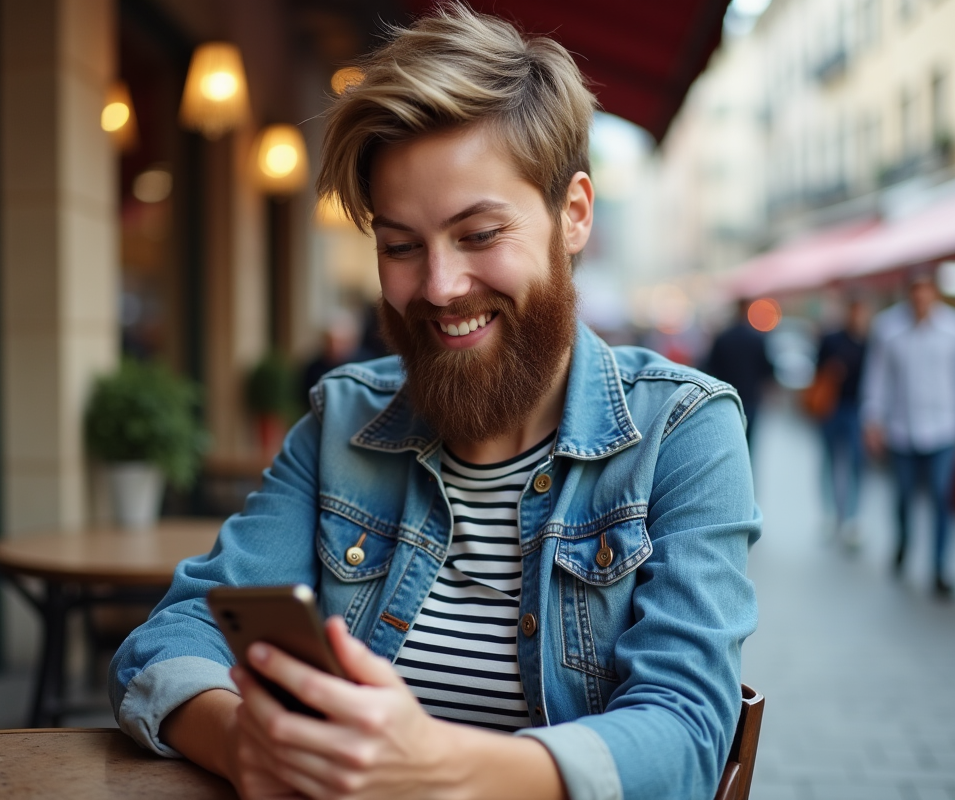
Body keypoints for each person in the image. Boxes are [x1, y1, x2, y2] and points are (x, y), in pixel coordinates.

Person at [108, 7, 760, 799]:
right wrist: (242, 740)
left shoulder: (684, 428)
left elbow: (689, 734)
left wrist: (440, 768)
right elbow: (174, 636)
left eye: (480, 234)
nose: (441, 287)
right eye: (401, 246)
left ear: (574, 215)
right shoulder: (344, 420)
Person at [861, 272, 955, 598]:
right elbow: (877, 378)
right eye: (915, 292)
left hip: (944, 428)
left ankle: (939, 567)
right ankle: (904, 541)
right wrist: (872, 419)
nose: (920, 299)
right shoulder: (888, 329)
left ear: (935, 293)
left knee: (940, 497)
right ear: (908, 294)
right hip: (902, 429)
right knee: (903, 496)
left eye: (926, 292)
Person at [814, 298, 870, 547]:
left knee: (856, 463)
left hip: (857, 409)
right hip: (831, 408)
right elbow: (817, 372)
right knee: (829, 460)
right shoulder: (831, 339)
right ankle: (829, 513)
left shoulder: (870, 343)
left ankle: (851, 517)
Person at [704, 299, 774, 447]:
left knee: (726, 441)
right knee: (748, 442)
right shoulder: (757, 338)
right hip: (750, 397)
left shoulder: (723, 337)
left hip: (725, 396)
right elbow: (767, 370)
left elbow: (710, 367)